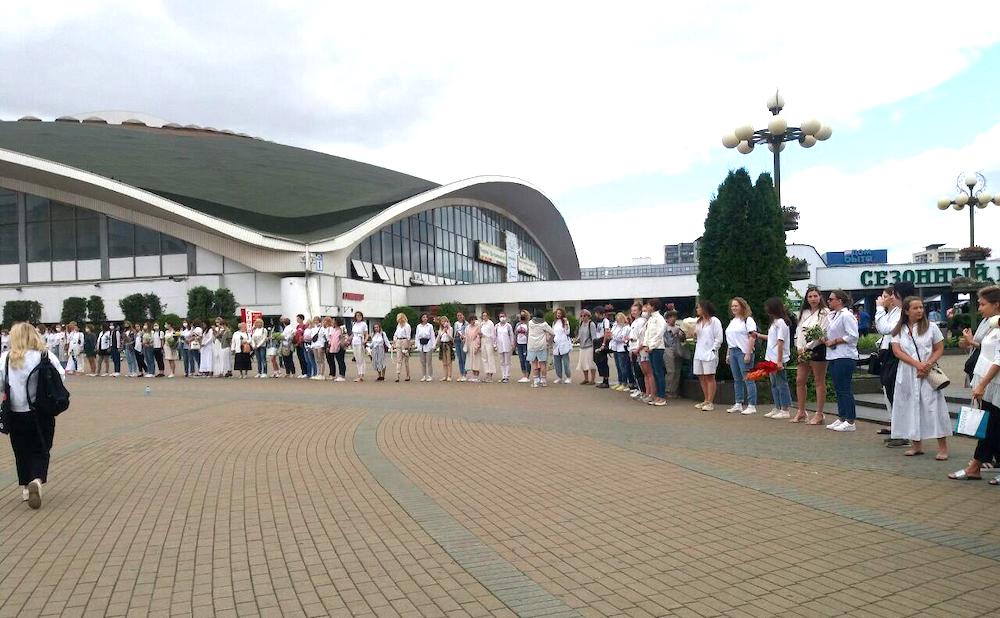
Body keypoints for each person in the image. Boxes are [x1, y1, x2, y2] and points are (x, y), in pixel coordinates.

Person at [1, 322, 66, 509]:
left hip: (15, 412)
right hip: (41, 411)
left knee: (21, 450)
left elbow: (1, 382)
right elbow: (60, 377)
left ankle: (24, 486)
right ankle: (37, 479)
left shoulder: (6, 358)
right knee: (42, 447)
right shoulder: (45, 356)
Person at [889, 296, 951, 459]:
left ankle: (943, 448)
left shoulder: (931, 327)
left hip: (928, 372)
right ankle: (916, 444)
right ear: (907, 311)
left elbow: (939, 348)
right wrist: (917, 364)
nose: (919, 311)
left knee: (934, 407)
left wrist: (927, 364)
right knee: (909, 406)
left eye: (921, 307)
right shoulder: (899, 329)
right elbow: (897, 351)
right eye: (915, 308)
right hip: (908, 372)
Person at [950, 286, 1000, 481]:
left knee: (992, 425)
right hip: (988, 383)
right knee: (992, 425)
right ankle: (975, 466)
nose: (980, 308)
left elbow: (998, 359)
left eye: (983, 304)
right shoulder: (992, 325)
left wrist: (982, 384)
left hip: (994, 384)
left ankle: (975, 466)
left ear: (996, 305)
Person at [876, 282, 917, 446]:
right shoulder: (896, 311)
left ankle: (904, 433)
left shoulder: (903, 313)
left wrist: (879, 309)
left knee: (898, 393)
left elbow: (885, 328)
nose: (890, 297)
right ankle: (899, 430)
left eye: (893, 294)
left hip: (897, 356)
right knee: (891, 391)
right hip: (890, 355)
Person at [822, 289, 860, 432]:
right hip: (833, 355)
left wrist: (835, 341)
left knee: (844, 388)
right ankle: (842, 416)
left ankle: (850, 420)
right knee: (838, 388)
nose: (829, 301)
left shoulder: (846, 315)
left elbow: (853, 336)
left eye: (831, 299)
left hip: (845, 355)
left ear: (840, 301)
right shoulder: (833, 315)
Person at [795, 287, 829, 424]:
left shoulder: (825, 313)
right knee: (800, 380)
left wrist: (808, 346)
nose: (813, 299)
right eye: (810, 296)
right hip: (802, 350)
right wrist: (799, 347)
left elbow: (822, 332)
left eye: (815, 296)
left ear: (820, 297)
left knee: (819, 381)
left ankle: (819, 414)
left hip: (817, 348)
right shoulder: (804, 312)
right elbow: (799, 331)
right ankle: (801, 411)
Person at [759, 298, 793, 419]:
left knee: (781, 382)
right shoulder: (775, 322)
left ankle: (785, 408)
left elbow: (780, 342)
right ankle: (777, 406)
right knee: (774, 383)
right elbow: (772, 338)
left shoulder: (781, 323)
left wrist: (779, 360)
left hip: (777, 358)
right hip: (771, 357)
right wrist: (759, 336)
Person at [725, 297, 758, 415]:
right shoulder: (732, 321)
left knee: (748, 379)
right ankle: (738, 403)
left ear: (742, 307)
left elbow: (752, 336)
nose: (734, 308)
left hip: (743, 351)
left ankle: (751, 404)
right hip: (733, 351)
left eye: (736, 306)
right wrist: (728, 354)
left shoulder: (748, 320)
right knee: (737, 379)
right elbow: (730, 339)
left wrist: (748, 353)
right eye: (732, 306)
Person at [693, 300, 723, 411]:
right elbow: (697, 337)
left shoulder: (714, 321)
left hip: (709, 352)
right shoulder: (699, 322)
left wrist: (713, 350)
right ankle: (705, 399)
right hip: (699, 352)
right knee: (701, 376)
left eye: (699, 308)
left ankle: (710, 401)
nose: (697, 310)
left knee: (709, 376)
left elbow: (719, 338)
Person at [641, 299, 668, 406]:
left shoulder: (659, 319)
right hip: (650, 348)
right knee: (654, 372)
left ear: (653, 307)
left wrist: (651, 345)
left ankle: (662, 396)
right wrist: (646, 344)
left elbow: (659, 333)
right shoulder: (651, 318)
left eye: (648, 305)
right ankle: (655, 395)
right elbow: (648, 333)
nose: (647, 308)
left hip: (657, 348)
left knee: (658, 372)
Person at [526, 310, 554, 387]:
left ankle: (536, 381)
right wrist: (549, 340)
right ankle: (543, 380)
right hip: (542, 345)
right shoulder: (544, 324)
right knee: (542, 363)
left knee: (534, 364)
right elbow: (552, 332)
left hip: (532, 345)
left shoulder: (530, 323)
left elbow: (527, 332)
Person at [662, 310, 686, 398]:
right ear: (667, 319)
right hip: (668, 350)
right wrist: (673, 333)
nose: (673, 319)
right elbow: (665, 340)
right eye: (671, 317)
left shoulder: (678, 327)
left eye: (674, 317)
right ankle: (667, 390)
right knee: (670, 370)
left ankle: (674, 390)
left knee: (677, 371)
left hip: (678, 350)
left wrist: (681, 335)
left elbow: (683, 339)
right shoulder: (664, 328)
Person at [627, 304, 647, 399]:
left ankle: (643, 390)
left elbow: (640, 336)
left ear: (640, 311)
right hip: (632, 345)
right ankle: (640, 389)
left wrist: (637, 348)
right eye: (632, 310)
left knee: (639, 371)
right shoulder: (634, 322)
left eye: (635, 310)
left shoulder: (642, 321)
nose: (633, 312)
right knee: (635, 370)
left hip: (637, 347)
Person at [610, 311, 634, 392]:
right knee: (618, 367)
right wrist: (613, 336)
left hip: (622, 349)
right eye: (617, 320)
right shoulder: (615, 326)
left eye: (619, 320)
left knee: (623, 367)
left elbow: (622, 338)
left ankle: (625, 383)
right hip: (616, 348)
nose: (618, 321)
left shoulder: (627, 328)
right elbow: (612, 334)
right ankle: (620, 382)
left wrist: (614, 337)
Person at [592, 307, 612, 389]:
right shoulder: (598, 322)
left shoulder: (605, 321)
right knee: (597, 360)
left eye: (596, 313)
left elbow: (606, 332)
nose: (595, 315)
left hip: (602, 341)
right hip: (597, 340)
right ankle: (603, 378)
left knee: (603, 361)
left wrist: (603, 343)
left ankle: (606, 380)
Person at [551, 307, 572, 384]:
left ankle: (568, 376)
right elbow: (553, 332)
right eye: (557, 313)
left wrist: (566, 323)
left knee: (566, 362)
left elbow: (567, 332)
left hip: (564, 344)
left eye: (560, 313)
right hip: (556, 344)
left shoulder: (565, 321)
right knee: (557, 362)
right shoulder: (554, 322)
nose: (558, 315)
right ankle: (559, 377)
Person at [576, 309, 597, 385]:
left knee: (591, 363)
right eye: (581, 316)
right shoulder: (581, 323)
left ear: (588, 316)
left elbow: (594, 337)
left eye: (584, 316)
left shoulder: (591, 324)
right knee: (583, 363)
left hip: (589, 346)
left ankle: (593, 379)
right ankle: (586, 379)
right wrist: (577, 340)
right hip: (582, 346)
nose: (583, 317)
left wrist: (595, 348)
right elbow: (580, 334)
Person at [415, 313, 436, 381]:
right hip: (421, 344)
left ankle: (430, 375)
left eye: (426, 317)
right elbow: (417, 336)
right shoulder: (418, 326)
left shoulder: (430, 326)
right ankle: (424, 375)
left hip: (428, 344)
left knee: (429, 361)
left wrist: (433, 345)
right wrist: (417, 345)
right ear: (421, 318)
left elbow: (432, 336)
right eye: (423, 317)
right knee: (422, 361)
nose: (425, 318)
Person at [393, 313, 412, 382]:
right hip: (399, 341)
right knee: (399, 359)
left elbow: (408, 336)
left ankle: (408, 375)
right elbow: (395, 334)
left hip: (404, 341)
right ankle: (397, 375)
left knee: (406, 360)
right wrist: (395, 341)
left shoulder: (407, 326)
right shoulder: (398, 326)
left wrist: (407, 346)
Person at [495, 312, 514, 383]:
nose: (502, 318)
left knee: (507, 361)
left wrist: (512, 343)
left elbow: (511, 335)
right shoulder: (497, 326)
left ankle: (507, 376)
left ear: (506, 317)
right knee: (501, 361)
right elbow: (495, 336)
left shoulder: (508, 326)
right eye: (500, 316)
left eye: (503, 316)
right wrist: (494, 344)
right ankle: (503, 376)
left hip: (507, 345)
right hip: (500, 345)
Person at [328, 318, 348, 382]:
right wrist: (329, 345)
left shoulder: (341, 329)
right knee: (337, 361)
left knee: (341, 361)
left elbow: (344, 337)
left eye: (333, 321)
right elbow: (331, 338)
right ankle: (338, 375)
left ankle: (342, 375)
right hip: (334, 347)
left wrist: (342, 344)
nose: (332, 322)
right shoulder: (333, 329)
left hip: (340, 347)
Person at [351, 312, 369, 382]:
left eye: (360, 315)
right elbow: (352, 334)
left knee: (361, 358)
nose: (358, 316)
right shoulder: (354, 324)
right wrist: (348, 340)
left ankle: (361, 375)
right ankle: (359, 373)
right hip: (354, 341)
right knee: (357, 358)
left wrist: (365, 340)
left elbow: (366, 334)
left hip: (360, 341)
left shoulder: (364, 324)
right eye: (357, 315)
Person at [480, 311, 497, 383]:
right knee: (484, 358)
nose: (484, 317)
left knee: (490, 358)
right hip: (483, 341)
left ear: (488, 316)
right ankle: (486, 374)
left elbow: (493, 334)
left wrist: (494, 344)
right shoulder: (482, 323)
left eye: (486, 315)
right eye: (483, 316)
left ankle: (490, 375)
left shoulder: (491, 323)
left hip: (489, 341)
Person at [515, 311, 531, 383]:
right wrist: (514, 343)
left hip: (526, 344)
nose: (522, 317)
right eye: (521, 315)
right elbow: (515, 334)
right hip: (519, 344)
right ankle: (524, 375)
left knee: (526, 360)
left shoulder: (529, 324)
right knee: (521, 360)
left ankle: (527, 375)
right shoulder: (518, 324)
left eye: (524, 315)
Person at [465, 316, 482, 382]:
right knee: (471, 360)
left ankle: (477, 376)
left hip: (475, 344)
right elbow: (466, 336)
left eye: (474, 320)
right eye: (471, 320)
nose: (473, 321)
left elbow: (478, 337)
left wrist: (477, 347)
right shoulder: (467, 327)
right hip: (470, 345)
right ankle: (473, 375)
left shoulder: (477, 327)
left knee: (476, 360)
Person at [438, 316, 455, 382]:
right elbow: (439, 337)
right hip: (442, 344)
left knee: (449, 361)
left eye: (445, 321)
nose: (443, 323)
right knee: (444, 362)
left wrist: (447, 332)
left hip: (448, 344)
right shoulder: (440, 329)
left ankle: (449, 376)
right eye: (442, 321)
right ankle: (445, 376)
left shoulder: (450, 328)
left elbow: (451, 338)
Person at [454, 311, 468, 382]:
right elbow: (455, 332)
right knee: (459, 358)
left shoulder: (466, 323)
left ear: (463, 316)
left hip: (463, 341)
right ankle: (461, 373)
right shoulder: (456, 323)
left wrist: (463, 336)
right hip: (457, 340)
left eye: (460, 315)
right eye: (458, 315)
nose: (459, 316)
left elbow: (467, 332)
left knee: (463, 358)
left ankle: (464, 374)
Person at [293, 314, 309, 379]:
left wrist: (299, 342)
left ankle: (306, 372)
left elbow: (303, 335)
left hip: (302, 344)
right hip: (297, 344)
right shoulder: (297, 326)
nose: (297, 320)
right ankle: (303, 372)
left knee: (303, 358)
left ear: (302, 319)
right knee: (300, 358)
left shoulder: (304, 326)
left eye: (298, 318)